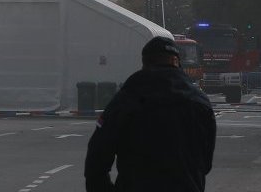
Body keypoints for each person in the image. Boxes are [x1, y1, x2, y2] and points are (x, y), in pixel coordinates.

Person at [85, 36, 216, 192]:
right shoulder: (199, 102)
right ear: (176, 62)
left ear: (144, 63)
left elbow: (97, 158)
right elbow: (205, 163)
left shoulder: (126, 98)